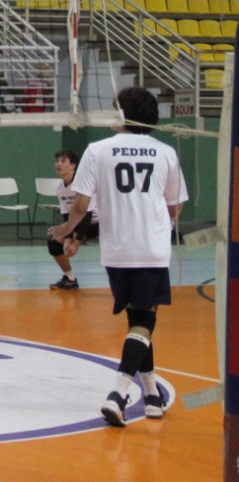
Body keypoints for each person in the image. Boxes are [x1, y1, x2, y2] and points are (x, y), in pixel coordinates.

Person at [47, 87, 187, 427]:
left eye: (114, 109)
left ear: (124, 115)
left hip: (115, 252)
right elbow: (175, 205)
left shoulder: (96, 150)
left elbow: (81, 205)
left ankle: (152, 395)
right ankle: (118, 393)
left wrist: (67, 230)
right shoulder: (165, 152)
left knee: (136, 320)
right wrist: (159, 219)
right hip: (150, 249)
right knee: (144, 322)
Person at [47, 149, 99, 290]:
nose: (59, 164)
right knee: (54, 242)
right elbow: (67, 216)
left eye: (63, 161)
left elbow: (86, 215)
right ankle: (70, 278)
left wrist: (76, 242)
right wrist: (68, 237)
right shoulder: (60, 188)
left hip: (98, 223)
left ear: (73, 166)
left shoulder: (82, 184)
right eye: (57, 161)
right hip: (78, 223)